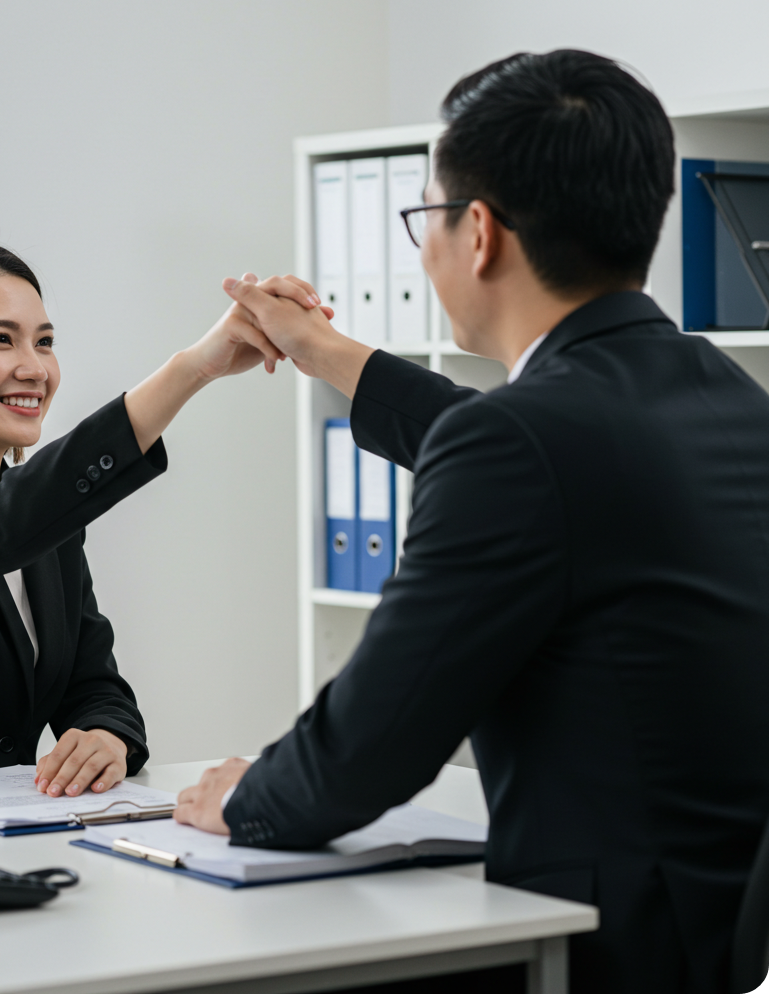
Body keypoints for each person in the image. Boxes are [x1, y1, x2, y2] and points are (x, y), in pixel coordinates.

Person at [175, 51, 769, 994]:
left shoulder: (519, 444)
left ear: (479, 232)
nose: (423, 251)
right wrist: (330, 353)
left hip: (586, 951)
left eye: (426, 218)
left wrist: (249, 795)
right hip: (710, 940)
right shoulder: (730, 398)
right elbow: (548, 454)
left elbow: (367, 750)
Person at [0, 243, 319, 800]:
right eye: (0, 339)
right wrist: (192, 368)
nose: (35, 368)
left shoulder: (47, 525)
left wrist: (106, 735)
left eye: (45, 342)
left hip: (3, 828)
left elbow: (95, 685)